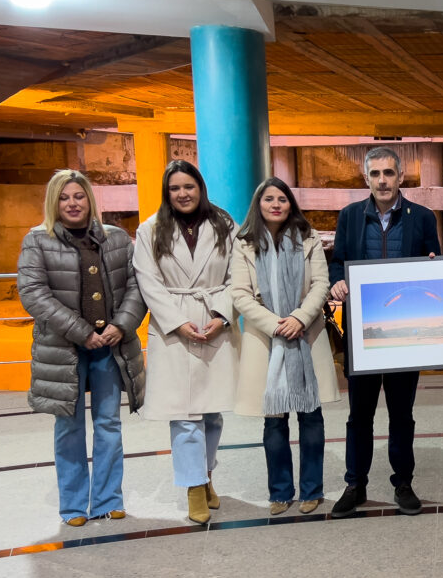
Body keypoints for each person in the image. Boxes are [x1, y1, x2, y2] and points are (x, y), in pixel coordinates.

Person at [17, 169, 146, 526]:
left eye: (78, 196)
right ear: (53, 203)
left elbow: (137, 287)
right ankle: (74, 505)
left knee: (108, 424)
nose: (72, 203)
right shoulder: (37, 241)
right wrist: (81, 332)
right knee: (69, 427)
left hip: (110, 347)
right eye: (64, 197)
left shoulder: (117, 239)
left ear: (89, 199)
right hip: (64, 351)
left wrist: (121, 325)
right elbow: (33, 294)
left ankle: (108, 499)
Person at [328, 146, 441, 518]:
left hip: (405, 334)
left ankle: (403, 482)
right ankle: (355, 483)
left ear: (401, 176)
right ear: (366, 179)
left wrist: (431, 267)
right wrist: (337, 284)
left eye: (388, 173)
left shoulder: (423, 217)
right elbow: (338, 263)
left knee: (401, 414)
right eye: (375, 174)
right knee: (359, 415)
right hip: (362, 334)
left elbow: (434, 264)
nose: (382, 180)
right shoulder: (348, 217)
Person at [133, 160, 238, 524]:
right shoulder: (149, 230)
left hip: (214, 324)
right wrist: (178, 324)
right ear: (167, 192)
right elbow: (148, 282)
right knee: (183, 415)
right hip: (172, 330)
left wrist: (221, 316)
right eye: (175, 188)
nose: (182, 194)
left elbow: (237, 276)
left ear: (200, 188)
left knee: (212, 413)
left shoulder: (224, 225)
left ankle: (207, 474)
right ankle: (194, 486)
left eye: (188, 187)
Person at [232, 177, 341, 516]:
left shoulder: (308, 239)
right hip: (267, 340)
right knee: (274, 421)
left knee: (311, 417)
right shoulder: (244, 243)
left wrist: (298, 318)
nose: (276, 204)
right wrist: (275, 324)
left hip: (306, 334)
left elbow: (321, 284)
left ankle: (312, 489)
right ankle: (280, 492)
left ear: (291, 203)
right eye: (268, 199)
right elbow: (238, 294)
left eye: (282, 198)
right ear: (258, 204)